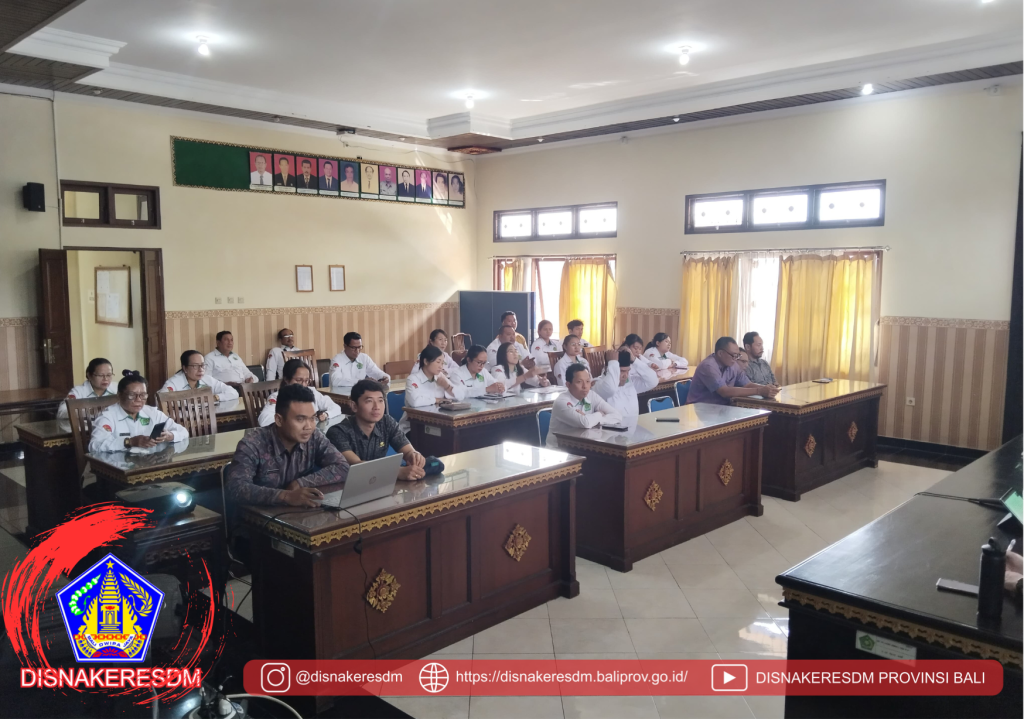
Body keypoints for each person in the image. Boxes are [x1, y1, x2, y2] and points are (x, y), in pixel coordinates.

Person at [224, 384, 349, 506]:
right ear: (279, 420)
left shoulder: (314, 437)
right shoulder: (252, 444)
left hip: (300, 513)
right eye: (300, 419)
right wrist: (285, 496)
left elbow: (343, 467)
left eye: (312, 418)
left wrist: (300, 483)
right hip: (257, 516)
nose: (309, 426)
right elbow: (236, 488)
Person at [326, 379, 427, 480]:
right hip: (347, 485)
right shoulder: (338, 432)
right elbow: (357, 466)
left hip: (378, 483)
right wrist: (396, 472)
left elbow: (408, 451)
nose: (377, 407)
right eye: (369, 401)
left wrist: (414, 456)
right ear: (354, 406)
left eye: (380, 401)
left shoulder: (387, 422)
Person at [89, 370, 188, 452]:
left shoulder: (152, 412)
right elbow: (94, 446)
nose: (138, 400)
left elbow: (183, 432)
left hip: (148, 463)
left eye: (143, 395)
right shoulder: (107, 416)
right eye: (132, 395)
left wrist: (170, 436)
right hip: (118, 465)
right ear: (119, 395)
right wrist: (130, 442)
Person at [687, 336, 779, 405]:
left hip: (722, 408)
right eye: (733, 355)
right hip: (700, 409)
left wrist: (767, 388)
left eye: (737, 355)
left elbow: (747, 384)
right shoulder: (708, 366)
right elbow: (724, 391)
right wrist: (759, 391)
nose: (735, 359)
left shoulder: (732, 364)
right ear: (720, 353)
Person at [546, 364, 622, 447]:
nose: (585, 386)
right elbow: (585, 423)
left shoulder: (591, 395)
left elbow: (617, 415)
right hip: (559, 450)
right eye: (579, 382)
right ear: (568, 385)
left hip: (583, 446)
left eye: (588, 381)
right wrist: (600, 414)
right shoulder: (561, 402)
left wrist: (596, 421)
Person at [258, 359, 341, 427]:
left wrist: (326, 414)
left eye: (306, 381)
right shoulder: (277, 397)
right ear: (286, 380)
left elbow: (336, 407)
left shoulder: (312, 392)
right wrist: (294, 421)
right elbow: (264, 420)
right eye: (299, 380)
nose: (303, 385)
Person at [401, 346, 467, 430]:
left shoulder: (440, 377)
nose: (441, 367)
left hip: (438, 424)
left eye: (442, 363)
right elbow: (415, 402)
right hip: (413, 426)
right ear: (426, 361)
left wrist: (447, 386)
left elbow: (461, 396)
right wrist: (436, 400)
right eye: (438, 362)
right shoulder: (413, 379)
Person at [593, 347, 659, 419]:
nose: (626, 376)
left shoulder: (630, 382)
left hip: (633, 425)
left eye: (628, 371)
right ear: (608, 368)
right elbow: (610, 388)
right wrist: (613, 363)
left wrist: (634, 360)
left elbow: (653, 381)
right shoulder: (598, 384)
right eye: (622, 371)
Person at [162, 350, 240, 403]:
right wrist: (191, 400)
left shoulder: (207, 379)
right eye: (195, 366)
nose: (201, 369)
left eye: (202, 365)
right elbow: (161, 400)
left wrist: (214, 397)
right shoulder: (174, 382)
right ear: (185, 368)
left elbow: (233, 393)